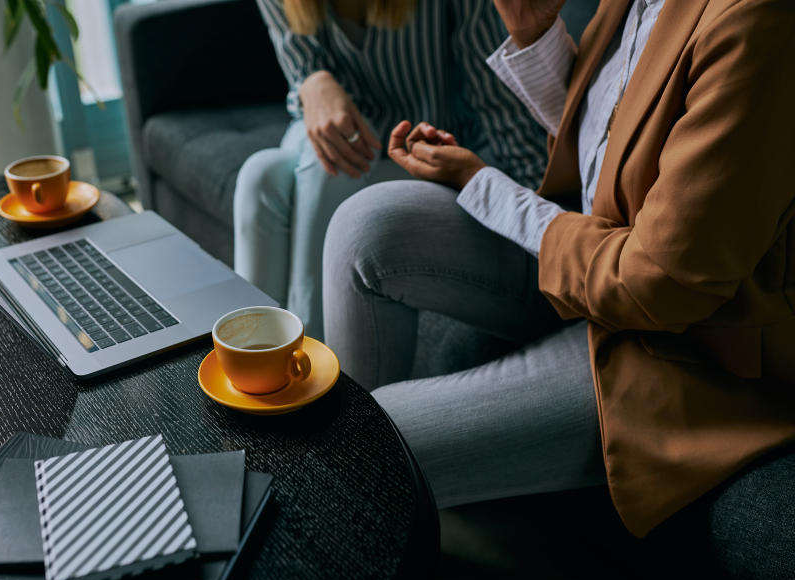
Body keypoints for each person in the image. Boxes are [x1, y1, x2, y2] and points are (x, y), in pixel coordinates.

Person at [323, 0, 795, 537]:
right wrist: (537, 33)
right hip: (596, 255)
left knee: (369, 441)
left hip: (680, 343)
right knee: (365, 223)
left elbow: (661, 284)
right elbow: (618, 144)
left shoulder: (757, 20)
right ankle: (364, 507)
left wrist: (486, 186)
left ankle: (354, 510)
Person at [234, 0, 550, 340]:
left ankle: (304, 359)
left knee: (332, 169)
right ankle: (249, 356)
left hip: (421, 151)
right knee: (260, 176)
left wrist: (542, 216)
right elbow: (302, 70)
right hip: (326, 141)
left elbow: (498, 101)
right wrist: (312, 82)